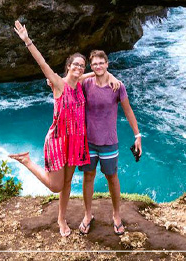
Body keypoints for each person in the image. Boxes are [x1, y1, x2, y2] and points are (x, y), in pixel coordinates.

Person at [8, 20, 119, 237]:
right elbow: (42, 64)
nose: (79, 67)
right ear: (68, 66)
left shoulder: (81, 84)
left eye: (81, 65)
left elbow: (95, 74)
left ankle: (62, 219)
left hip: (76, 141)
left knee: (68, 183)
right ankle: (27, 161)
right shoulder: (58, 83)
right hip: (59, 140)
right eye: (75, 64)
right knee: (55, 186)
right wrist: (27, 40)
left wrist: (111, 75)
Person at [76, 50, 141, 236]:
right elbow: (71, 79)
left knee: (112, 178)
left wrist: (138, 135)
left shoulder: (117, 87)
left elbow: (128, 111)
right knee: (88, 177)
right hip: (88, 141)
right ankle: (88, 215)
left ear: (107, 63)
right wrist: (101, 73)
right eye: (94, 64)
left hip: (109, 141)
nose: (98, 66)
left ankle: (117, 215)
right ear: (91, 66)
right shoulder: (86, 83)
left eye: (101, 63)